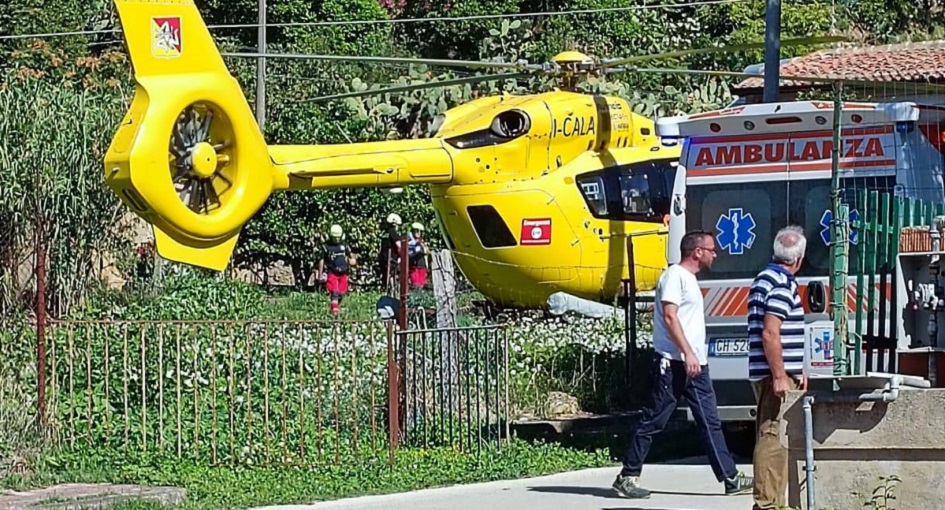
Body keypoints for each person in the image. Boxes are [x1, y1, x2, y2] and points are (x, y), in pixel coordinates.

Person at [613, 230, 753, 499]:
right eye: (711, 249)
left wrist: (695, 357)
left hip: (695, 366)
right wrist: (687, 352)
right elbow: (669, 316)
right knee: (654, 419)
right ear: (696, 251)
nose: (715, 254)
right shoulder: (674, 277)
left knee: (710, 421)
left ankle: (730, 478)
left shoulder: (689, 279)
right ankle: (628, 475)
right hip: (674, 363)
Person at [748, 226, 808, 510]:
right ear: (798, 259)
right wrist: (781, 375)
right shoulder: (783, 284)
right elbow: (771, 332)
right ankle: (767, 504)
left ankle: (772, 501)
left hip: (770, 372)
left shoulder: (763, 278)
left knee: (774, 436)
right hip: (776, 376)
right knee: (773, 437)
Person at [317, 224, 356, 315]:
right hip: (332, 272)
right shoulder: (326, 246)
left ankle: (337, 305)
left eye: (338, 237)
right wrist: (320, 273)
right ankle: (334, 309)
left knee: (341, 292)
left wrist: (353, 261)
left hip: (344, 272)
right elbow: (321, 260)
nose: (337, 240)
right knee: (334, 290)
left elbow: (352, 257)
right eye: (335, 238)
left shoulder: (344, 245)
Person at [377, 213, 403, 290]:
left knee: (387, 275)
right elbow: (399, 245)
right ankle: (393, 289)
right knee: (392, 274)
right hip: (391, 258)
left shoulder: (385, 233)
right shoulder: (393, 232)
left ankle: (389, 288)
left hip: (384, 258)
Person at [408, 222, 429, 289]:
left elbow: (426, 253)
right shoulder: (410, 242)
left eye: (420, 231)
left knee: (422, 285)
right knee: (415, 284)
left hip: (422, 266)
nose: (418, 233)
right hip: (414, 267)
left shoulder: (422, 242)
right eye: (417, 230)